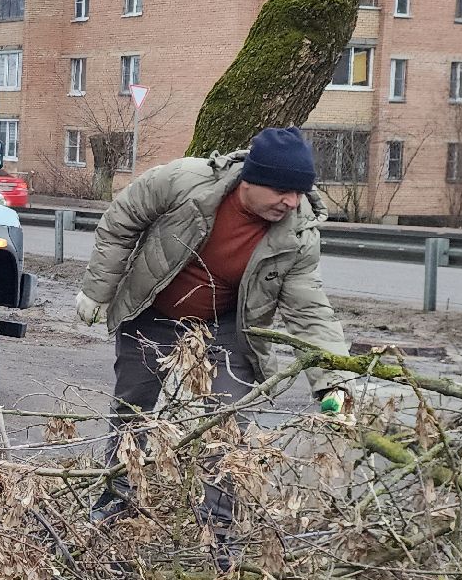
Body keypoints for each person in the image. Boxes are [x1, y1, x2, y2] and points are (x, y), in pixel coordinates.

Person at [73, 126, 347, 524]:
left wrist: (333, 383)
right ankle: (118, 496)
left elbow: (310, 310)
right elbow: (122, 219)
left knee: (229, 420)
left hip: (226, 325)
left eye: (299, 192)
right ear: (251, 180)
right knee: (133, 407)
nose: (291, 202)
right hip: (154, 311)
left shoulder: (298, 234)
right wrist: (98, 290)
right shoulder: (185, 181)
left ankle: (218, 525)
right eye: (282, 190)